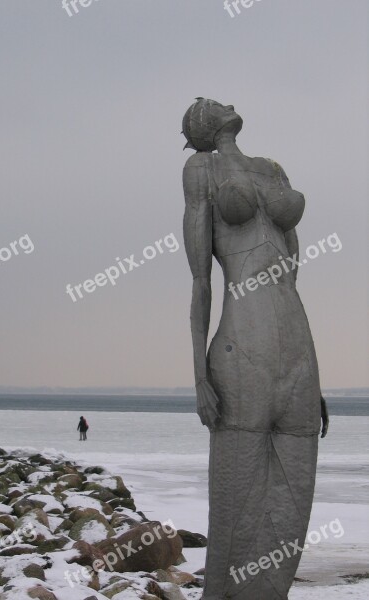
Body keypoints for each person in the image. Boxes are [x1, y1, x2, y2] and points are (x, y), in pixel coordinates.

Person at [182, 98, 329, 599]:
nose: (218, 104)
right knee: (236, 493)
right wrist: (199, 376)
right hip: (241, 341)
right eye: (205, 107)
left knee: (295, 491)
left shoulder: (272, 169)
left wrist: (314, 376)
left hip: (295, 343)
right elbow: (200, 278)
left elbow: (293, 268)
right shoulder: (201, 168)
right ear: (201, 128)